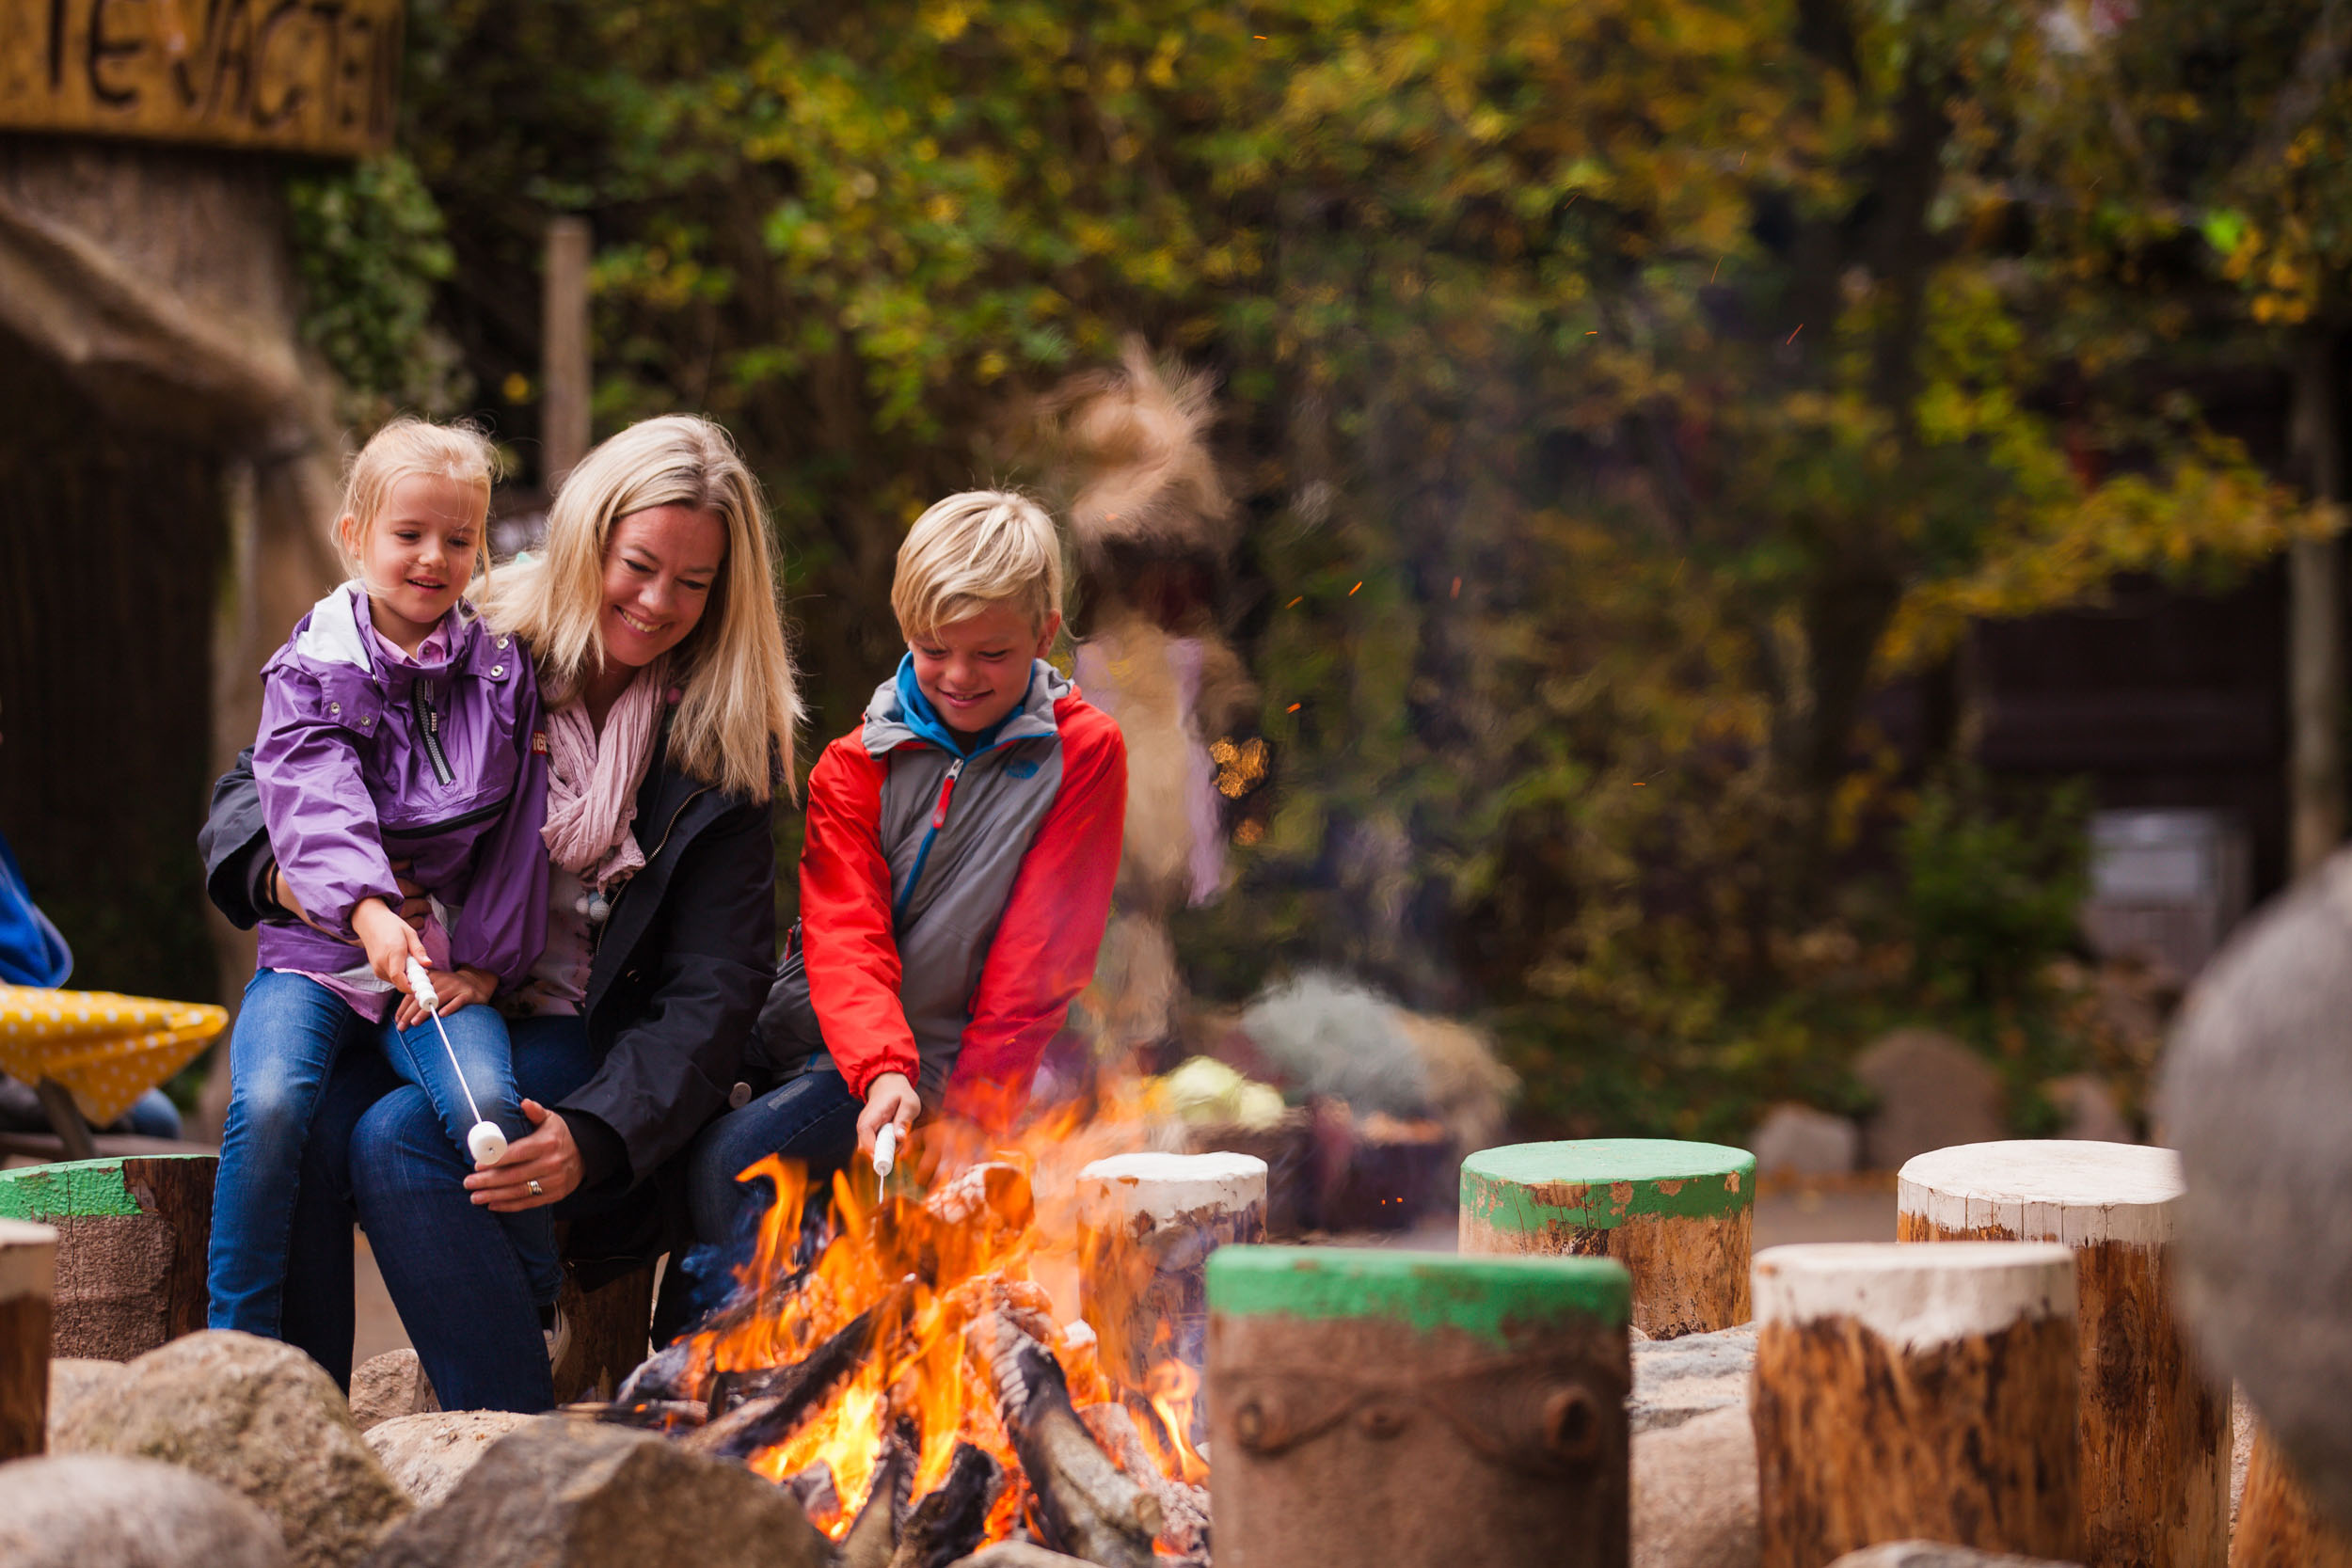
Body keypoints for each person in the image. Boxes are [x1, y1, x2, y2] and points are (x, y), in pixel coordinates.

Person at [201, 413, 800, 1410]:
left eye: (694, 583)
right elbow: (258, 781)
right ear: (588, 541)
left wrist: (597, 1134)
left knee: (399, 1136)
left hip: (584, 1032)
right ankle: (291, 1419)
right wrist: (307, 882)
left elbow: (716, 988)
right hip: (416, 991)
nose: (658, 603)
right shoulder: (475, 642)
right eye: (639, 564)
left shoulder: (720, 738)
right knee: (298, 1121)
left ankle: (506, 1438)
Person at [680, 488, 1125, 1278]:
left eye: (991, 653)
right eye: (934, 648)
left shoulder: (1081, 754)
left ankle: (727, 1365)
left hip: (960, 1067)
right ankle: (703, 1368)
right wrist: (882, 1068)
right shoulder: (857, 765)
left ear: (1044, 633)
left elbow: (1039, 958)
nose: (959, 676)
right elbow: (844, 935)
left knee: (737, 1163)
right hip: (850, 1051)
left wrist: (975, 1118)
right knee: (711, 1154)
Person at [208, 419, 556, 1338]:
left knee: (484, 1101)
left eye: (458, 538)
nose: (434, 558)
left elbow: (518, 834)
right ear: (353, 535)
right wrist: (363, 907)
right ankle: (236, 1336)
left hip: (436, 964)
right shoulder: (312, 667)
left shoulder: (500, 668)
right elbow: (313, 796)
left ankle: (537, 1302)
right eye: (409, 534)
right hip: (316, 954)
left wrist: (483, 966)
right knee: (275, 1100)